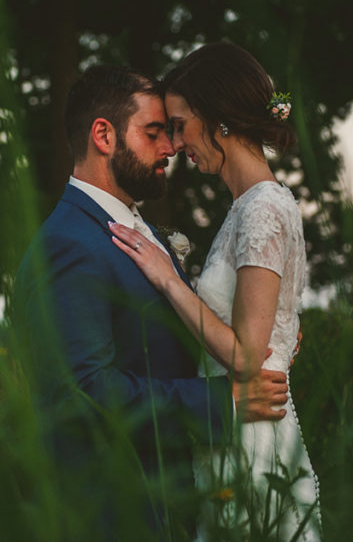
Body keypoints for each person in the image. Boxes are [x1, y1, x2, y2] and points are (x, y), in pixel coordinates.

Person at [13, 65, 292, 538]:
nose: (171, 148)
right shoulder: (70, 243)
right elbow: (82, 394)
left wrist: (273, 340)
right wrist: (222, 401)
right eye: (153, 133)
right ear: (103, 135)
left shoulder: (131, 231)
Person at [109, 42, 322, 540]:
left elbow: (247, 356)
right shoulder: (248, 206)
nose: (176, 143)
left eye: (180, 125)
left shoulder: (262, 208)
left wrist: (166, 276)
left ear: (217, 117)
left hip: (252, 436)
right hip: (233, 428)